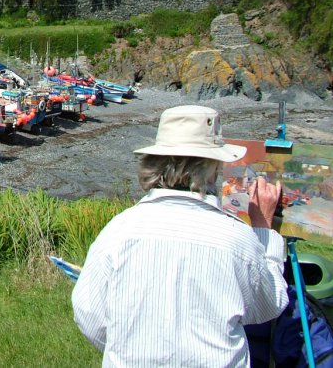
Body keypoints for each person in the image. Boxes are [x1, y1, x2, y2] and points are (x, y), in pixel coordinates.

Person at [72, 105, 289, 367]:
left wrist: (128, 347)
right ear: (212, 168)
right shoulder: (236, 238)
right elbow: (269, 304)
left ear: (152, 163)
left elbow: (89, 313)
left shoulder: (119, 230)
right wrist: (264, 228)